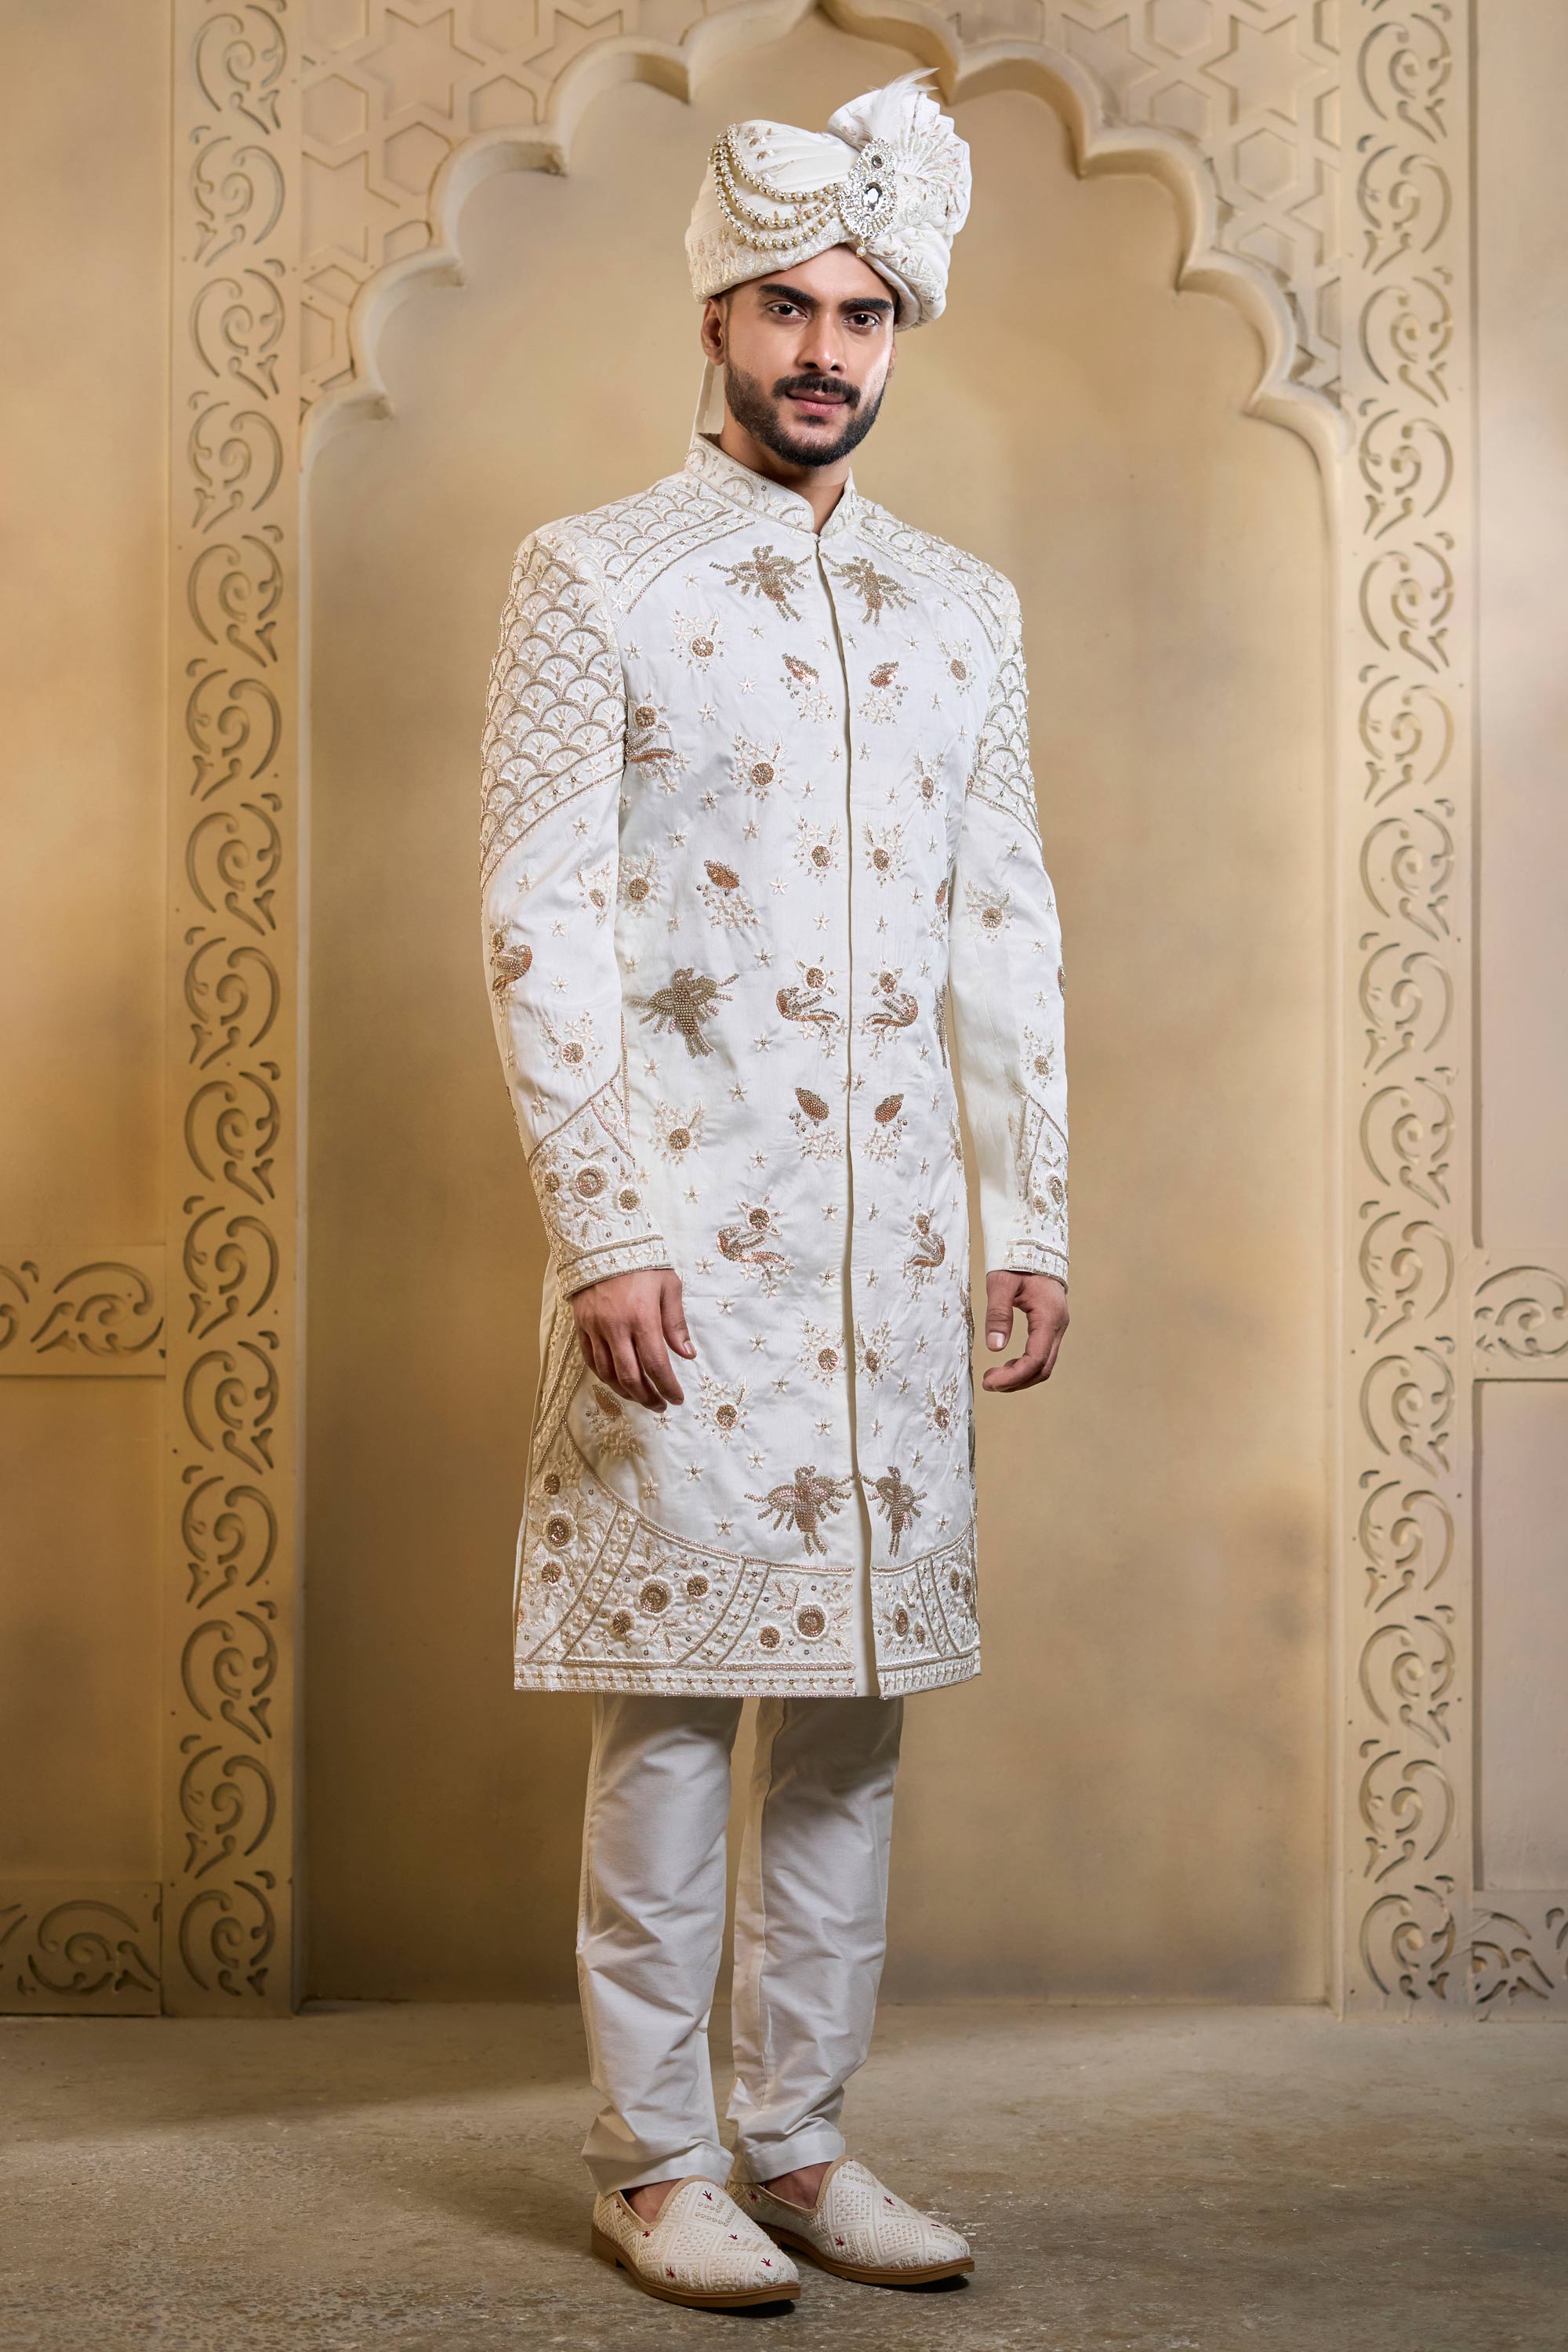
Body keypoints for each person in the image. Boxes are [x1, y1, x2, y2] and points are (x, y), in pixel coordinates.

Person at [479, 67, 1069, 2312]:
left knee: (848, 1716)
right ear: (718, 318)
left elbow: (1004, 925)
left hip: (895, 1255)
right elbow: (540, 922)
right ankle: (654, 2163)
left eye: (864, 313)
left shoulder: (962, 608)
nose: (828, 350)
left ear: (900, 332)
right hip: (685, 1252)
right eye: (788, 308)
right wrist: (604, 1226)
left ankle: (801, 2145)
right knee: (670, 1708)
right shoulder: (594, 580)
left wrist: (1031, 1217)